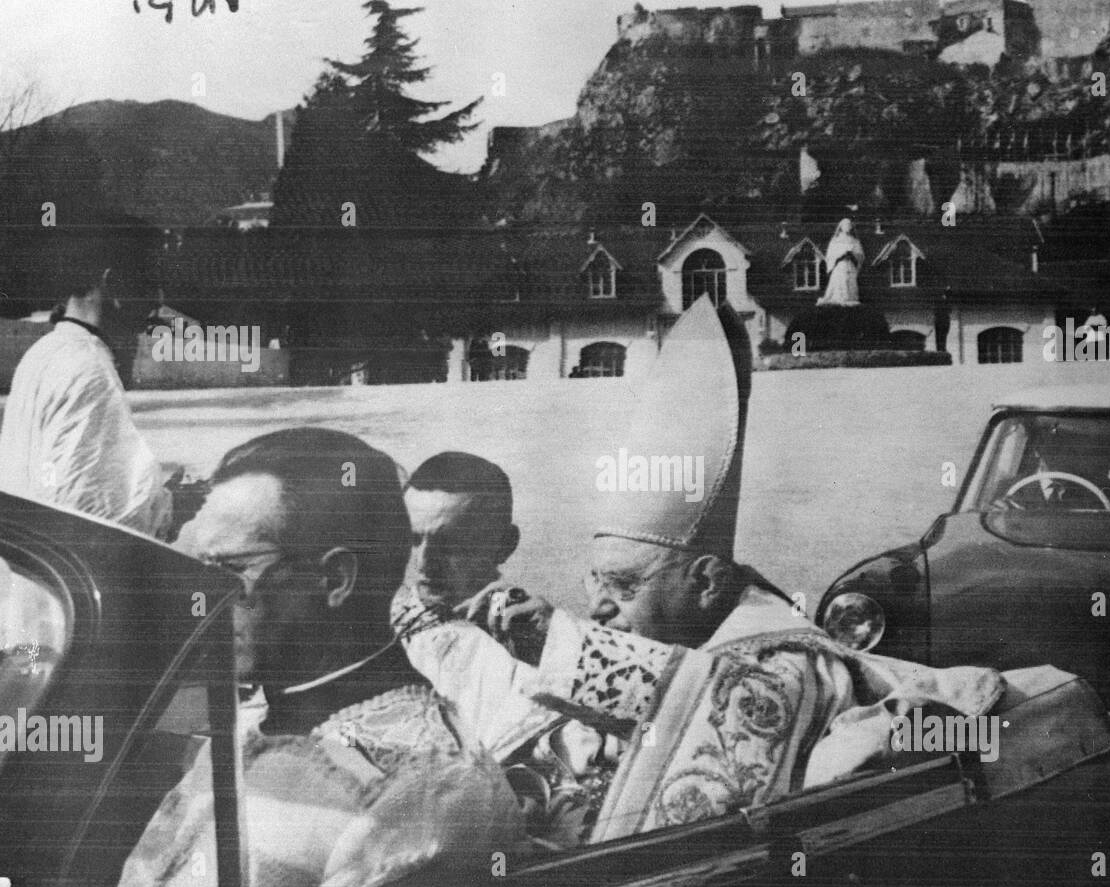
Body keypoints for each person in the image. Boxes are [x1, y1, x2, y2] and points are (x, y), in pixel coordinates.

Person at [393, 300, 1003, 847]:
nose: (599, 611)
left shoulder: (787, 659)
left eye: (625, 587)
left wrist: (561, 642)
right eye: (593, 584)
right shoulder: (657, 641)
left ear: (709, 582)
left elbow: (735, 703)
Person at [96, 428, 522, 887]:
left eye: (229, 572)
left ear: (336, 579)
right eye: (196, 572)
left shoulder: (431, 794)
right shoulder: (256, 714)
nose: (200, 603)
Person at [0, 225, 172, 537]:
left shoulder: (43, 353)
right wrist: (171, 512)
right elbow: (100, 523)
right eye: (151, 282)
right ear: (114, 283)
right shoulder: (89, 369)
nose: (158, 300)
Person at [399, 452, 520, 609]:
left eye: (448, 543)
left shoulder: (547, 629)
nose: (423, 563)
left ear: (504, 546)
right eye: (413, 540)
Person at [817, 218, 865, 307]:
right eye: (846, 225)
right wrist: (841, 254)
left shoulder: (854, 240)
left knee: (850, 283)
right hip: (840, 265)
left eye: (849, 225)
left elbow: (860, 255)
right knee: (840, 282)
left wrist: (853, 254)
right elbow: (830, 255)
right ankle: (839, 301)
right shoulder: (836, 240)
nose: (848, 227)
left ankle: (850, 300)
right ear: (841, 227)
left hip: (850, 264)